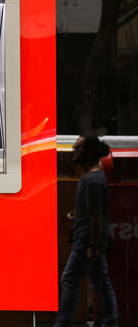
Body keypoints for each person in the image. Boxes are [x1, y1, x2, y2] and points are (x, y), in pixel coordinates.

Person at [54, 134, 118, 327]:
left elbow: (97, 214)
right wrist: (78, 213)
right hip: (87, 235)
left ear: (89, 152)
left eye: (78, 148)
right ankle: (110, 321)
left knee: (69, 279)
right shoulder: (90, 176)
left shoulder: (93, 180)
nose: (74, 151)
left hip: (86, 238)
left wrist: (93, 244)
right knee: (100, 282)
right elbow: (92, 210)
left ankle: (64, 322)